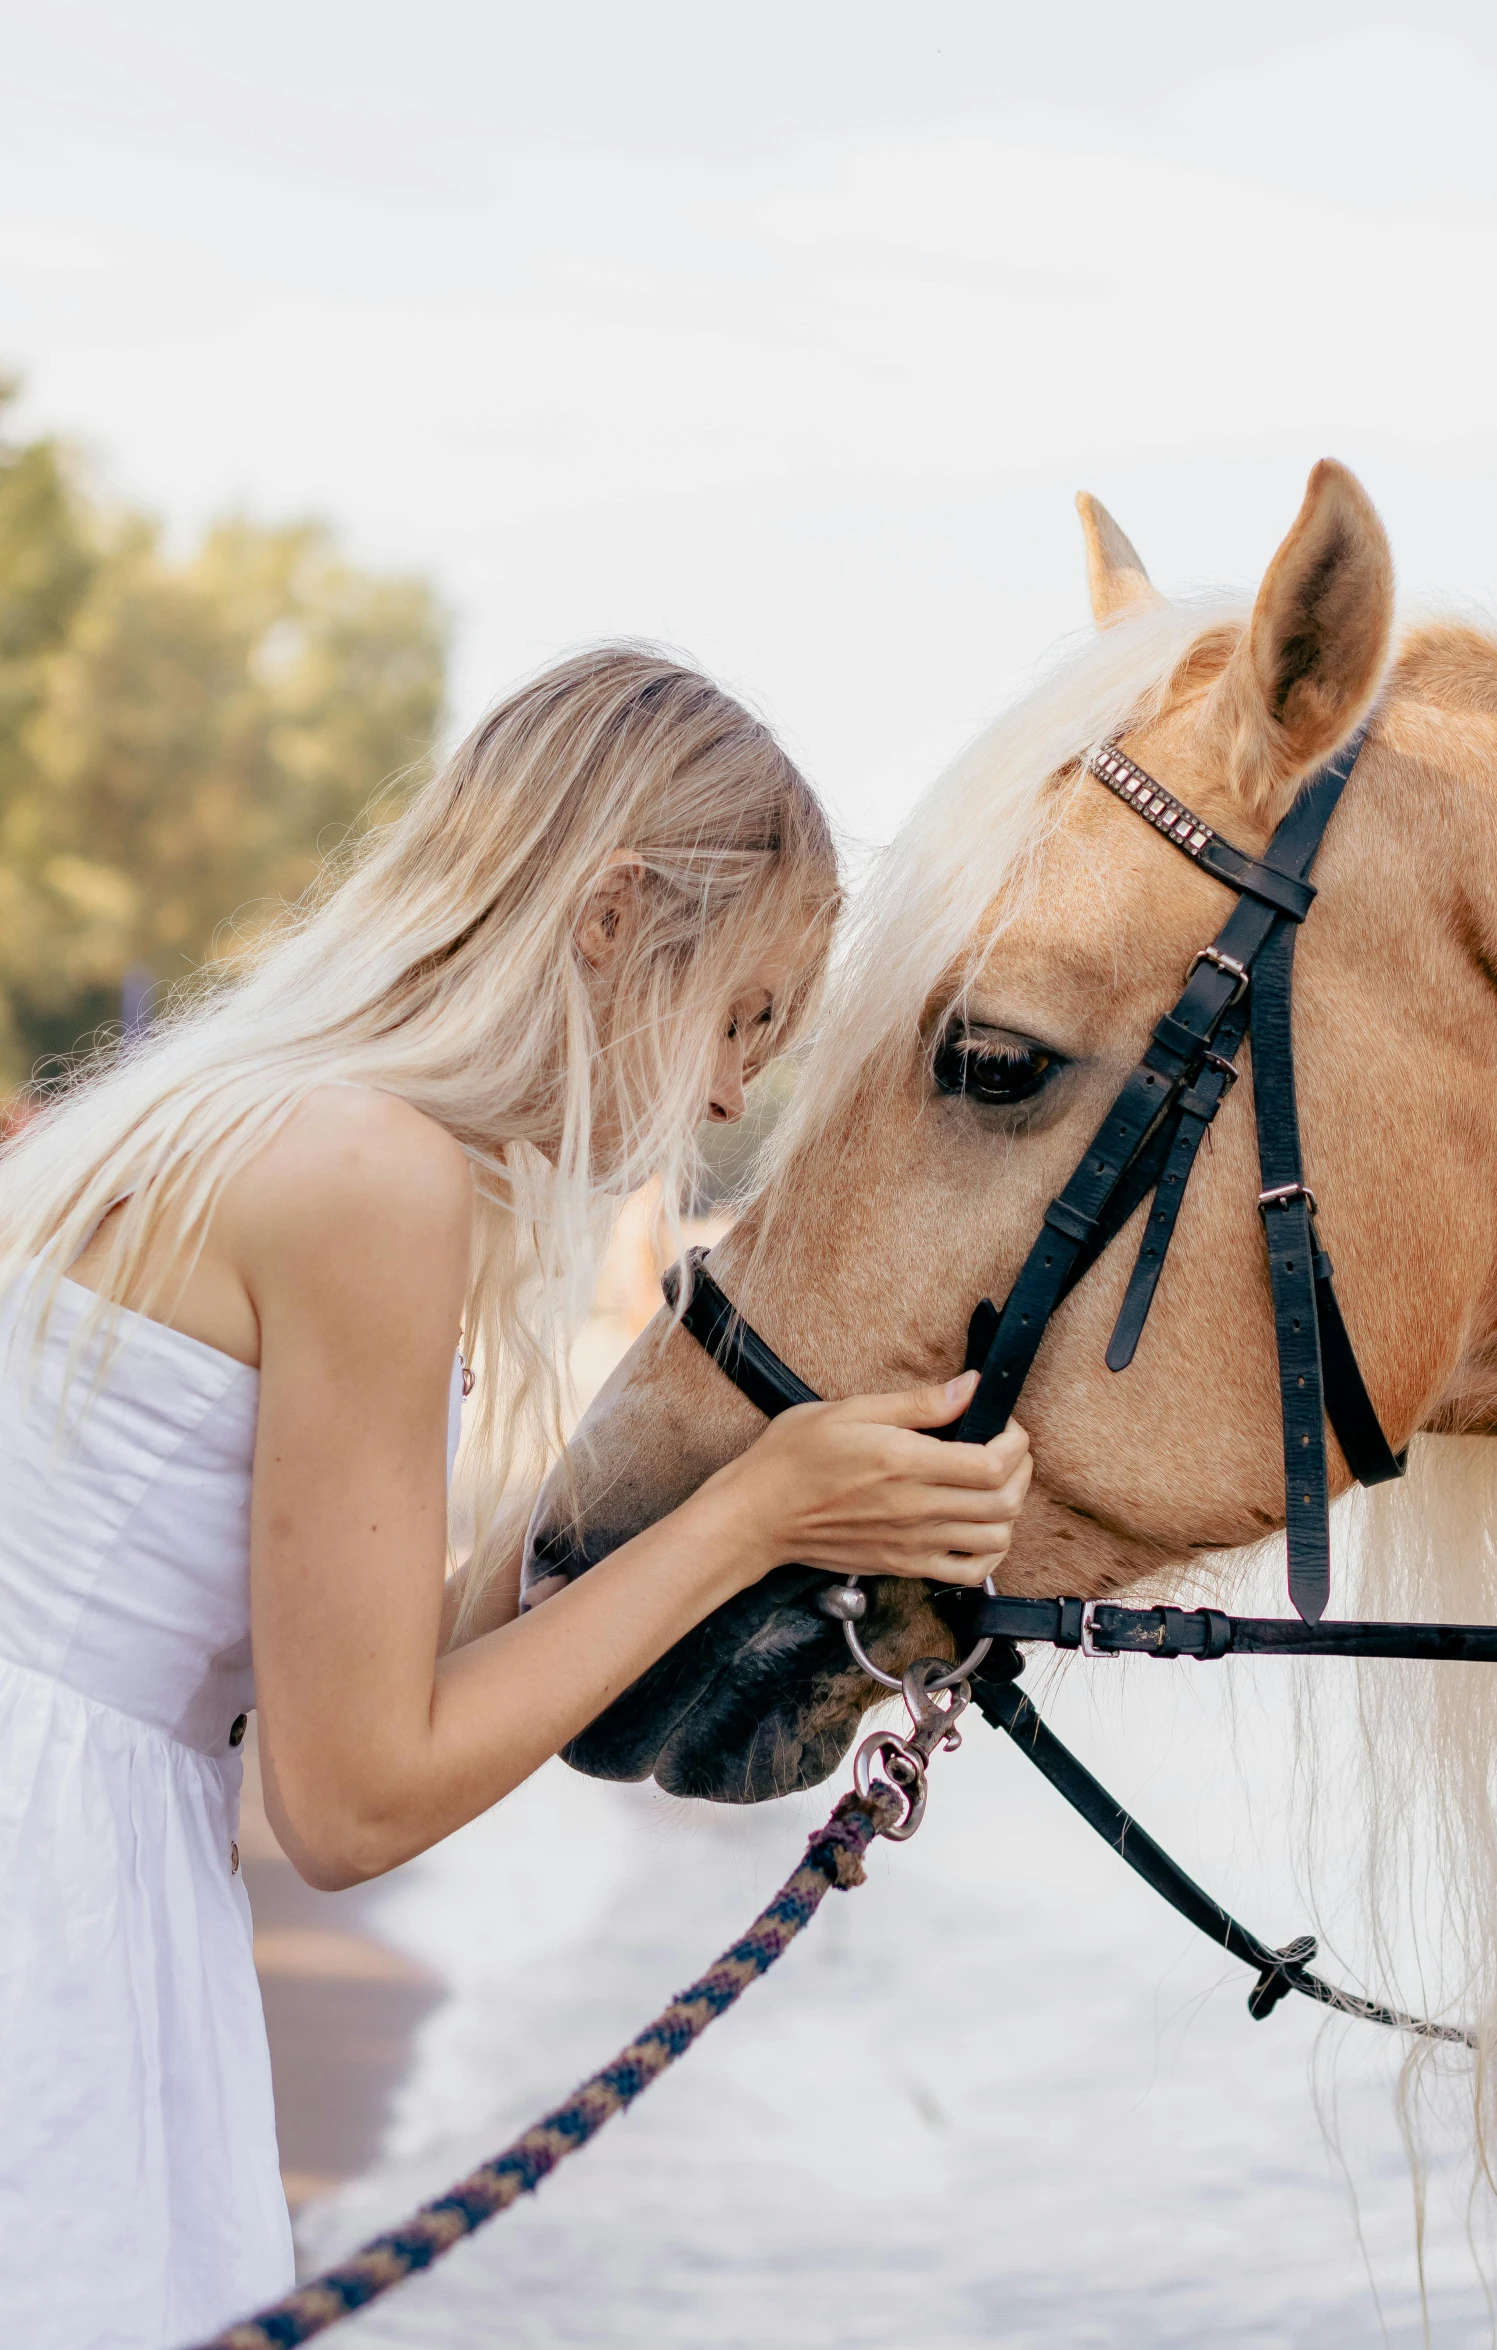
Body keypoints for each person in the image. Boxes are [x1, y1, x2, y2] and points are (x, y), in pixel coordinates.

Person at [0, 646, 1032, 2347]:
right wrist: (757, 1513)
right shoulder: (371, 1180)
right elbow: (351, 1804)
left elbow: (366, 1662)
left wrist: (695, 1474)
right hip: (56, 1911)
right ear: (613, 915)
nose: (720, 1095)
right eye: (744, 1018)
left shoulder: (241, 1120)